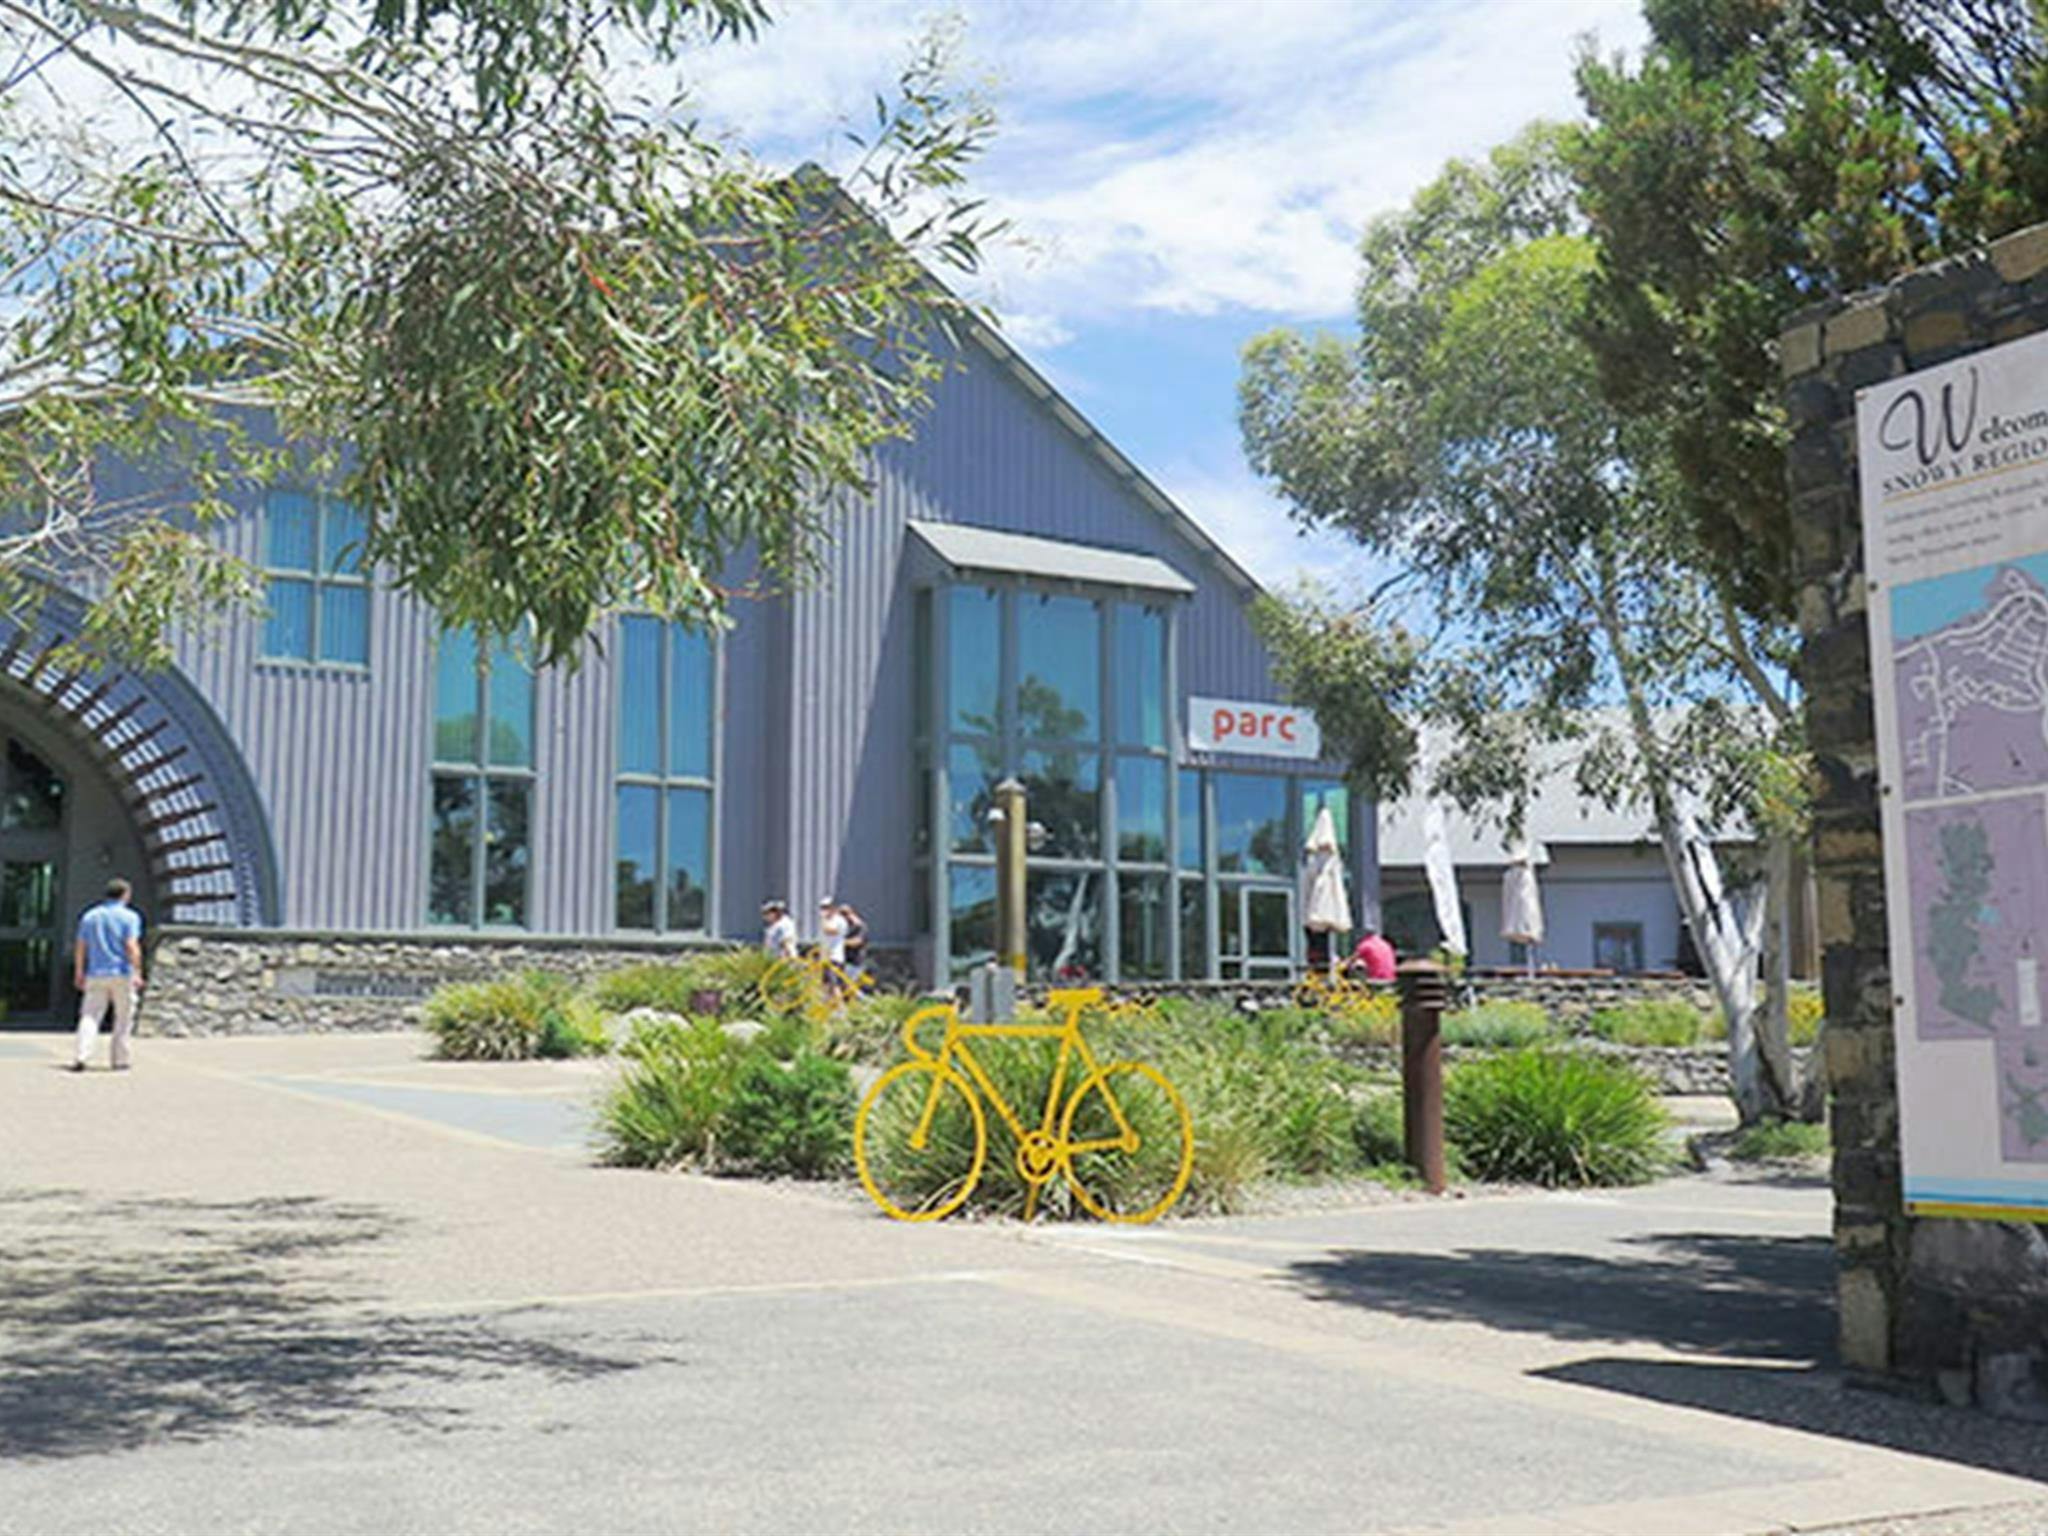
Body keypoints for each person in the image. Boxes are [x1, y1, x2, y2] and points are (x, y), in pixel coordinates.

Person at [73, 877, 144, 1073]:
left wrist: (79, 971)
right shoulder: (130, 917)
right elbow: (132, 946)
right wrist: (137, 971)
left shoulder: (90, 916)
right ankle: (120, 1059)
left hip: (95, 972)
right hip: (121, 973)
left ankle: (82, 1055)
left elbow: (80, 946)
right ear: (125, 895)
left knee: (89, 1015)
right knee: (123, 1018)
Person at [837, 901, 868, 978]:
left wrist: (841, 942)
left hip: (854, 963)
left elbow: (857, 941)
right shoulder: (846, 926)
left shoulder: (859, 926)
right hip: (844, 961)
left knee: (846, 986)